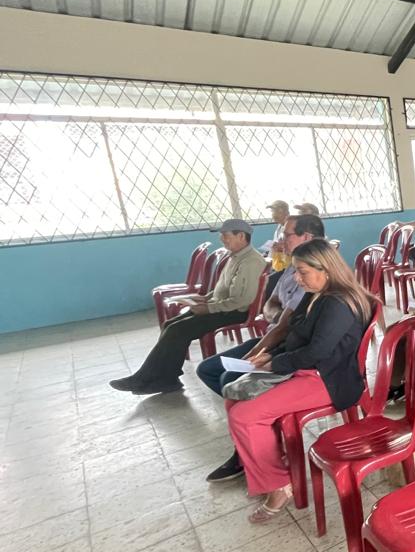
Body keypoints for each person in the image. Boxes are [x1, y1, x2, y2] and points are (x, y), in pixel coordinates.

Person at [224, 239, 376, 522]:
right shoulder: (316, 294)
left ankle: (279, 485)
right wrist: (270, 354)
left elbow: (317, 351)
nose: (296, 278)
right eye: (296, 271)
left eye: (302, 271)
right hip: (306, 369)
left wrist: (275, 363)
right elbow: (296, 336)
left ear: (325, 270)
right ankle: (270, 462)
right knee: (234, 396)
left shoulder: (338, 303)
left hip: (327, 379)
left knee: (244, 416)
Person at [197, 213, 325, 482]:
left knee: (231, 378)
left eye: (287, 234)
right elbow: (270, 305)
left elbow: (286, 327)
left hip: (286, 343)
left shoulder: (315, 272)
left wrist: (254, 356)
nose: (281, 240)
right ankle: (259, 432)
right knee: (208, 369)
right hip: (274, 336)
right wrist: (276, 315)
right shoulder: (294, 266)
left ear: (307, 237)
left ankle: (252, 444)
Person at [110, 219, 268, 396]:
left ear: (241, 236)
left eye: (226, 235)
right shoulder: (235, 256)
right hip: (221, 306)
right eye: (221, 235)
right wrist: (205, 299)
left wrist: (208, 308)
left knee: (179, 329)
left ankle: (153, 379)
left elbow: (242, 300)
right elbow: (223, 288)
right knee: (171, 325)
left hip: (235, 312)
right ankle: (162, 377)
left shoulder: (251, 262)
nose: (222, 239)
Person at [265, 200, 291, 271]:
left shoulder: (291, 227)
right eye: (272, 211)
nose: (273, 215)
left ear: (285, 212)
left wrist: (282, 247)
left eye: (276, 211)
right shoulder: (279, 226)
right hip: (277, 265)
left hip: (287, 267)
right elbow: (275, 247)